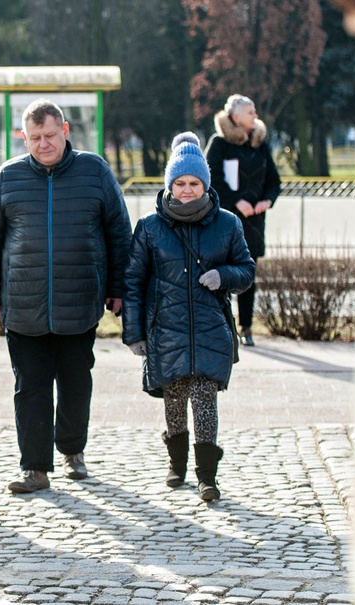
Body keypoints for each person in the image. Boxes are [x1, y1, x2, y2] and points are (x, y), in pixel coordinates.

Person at [0, 98, 133, 495]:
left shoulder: (95, 171)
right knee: (31, 386)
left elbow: (119, 234)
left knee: (77, 383)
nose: (43, 144)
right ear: (23, 137)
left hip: (79, 301)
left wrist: (119, 289)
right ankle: (35, 467)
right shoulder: (7, 177)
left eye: (49, 135)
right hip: (22, 304)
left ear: (65, 131)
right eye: (34, 138)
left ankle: (73, 450)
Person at [121, 132, 255, 502]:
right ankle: (176, 465)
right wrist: (133, 332)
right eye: (179, 183)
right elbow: (133, 281)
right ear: (169, 185)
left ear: (205, 185)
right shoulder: (150, 227)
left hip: (211, 329)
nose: (186, 190)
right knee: (174, 399)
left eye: (194, 183)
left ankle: (206, 476)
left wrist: (224, 276)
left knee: (204, 398)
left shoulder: (227, 224)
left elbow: (246, 270)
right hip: (166, 329)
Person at [205, 94, 280, 347]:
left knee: (248, 274)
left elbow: (274, 180)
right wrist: (237, 200)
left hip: (254, 222)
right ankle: (221, 326)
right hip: (225, 220)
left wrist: (266, 200)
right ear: (235, 117)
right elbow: (210, 179)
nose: (255, 115)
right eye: (250, 112)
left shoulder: (260, 144)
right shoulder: (220, 144)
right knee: (221, 273)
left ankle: (246, 328)